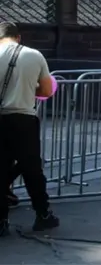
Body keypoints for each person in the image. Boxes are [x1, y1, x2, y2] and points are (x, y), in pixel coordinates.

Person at [0, 22, 59, 236]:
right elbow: (45, 89)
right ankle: (43, 215)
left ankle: (1, 220)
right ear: (18, 37)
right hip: (24, 118)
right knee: (32, 169)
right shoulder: (34, 55)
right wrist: (26, 87)